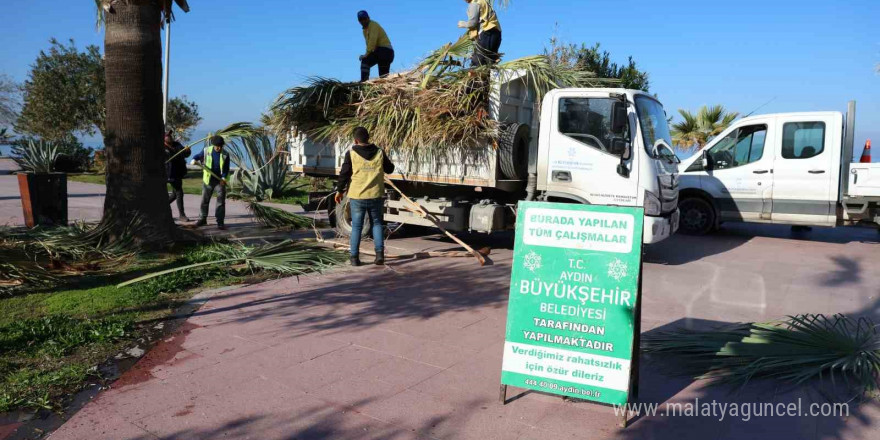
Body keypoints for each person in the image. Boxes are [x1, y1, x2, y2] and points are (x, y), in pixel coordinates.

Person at [334, 127, 395, 266]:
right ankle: (380, 256)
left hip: (357, 196)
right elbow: (390, 169)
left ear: (355, 140)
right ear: (368, 138)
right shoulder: (380, 152)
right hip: (376, 195)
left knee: (356, 227)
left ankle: (354, 258)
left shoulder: (351, 153)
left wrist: (339, 191)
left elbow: (344, 174)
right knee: (377, 224)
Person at [192, 136, 231, 230]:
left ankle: (220, 222)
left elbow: (226, 169)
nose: (219, 148)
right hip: (208, 180)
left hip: (219, 181)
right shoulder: (206, 151)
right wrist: (194, 159)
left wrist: (223, 178)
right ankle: (202, 219)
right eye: (217, 146)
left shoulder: (225, 154)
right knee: (204, 200)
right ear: (213, 145)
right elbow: (197, 156)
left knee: (221, 202)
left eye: (221, 146)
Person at [458, 0, 502, 66]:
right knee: (489, 63)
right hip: (496, 33)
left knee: (478, 62)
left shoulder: (474, 4)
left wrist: (462, 24)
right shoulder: (483, 1)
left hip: (487, 33)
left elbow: (472, 23)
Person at [358, 10, 395, 82]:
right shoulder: (365, 30)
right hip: (379, 52)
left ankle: (363, 82)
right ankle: (364, 82)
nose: (363, 21)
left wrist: (366, 54)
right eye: (361, 20)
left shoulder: (373, 25)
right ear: (359, 21)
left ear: (368, 18)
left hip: (385, 52)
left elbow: (372, 41)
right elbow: (369, 44)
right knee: (366, 62)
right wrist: (368, 53)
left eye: (364, 19)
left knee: (366, 60)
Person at [164, 131, 190, 221]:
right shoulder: (161, 147)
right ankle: (182, 215)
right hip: (169, 173)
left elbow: (186, 155)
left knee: (175, 194)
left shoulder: (177, 144)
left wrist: (187, 150)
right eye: (167, 136)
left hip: (178, 173)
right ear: (164, 138)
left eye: (170, 135)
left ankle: (162, 207)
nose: (170, 137)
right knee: (179, 192)